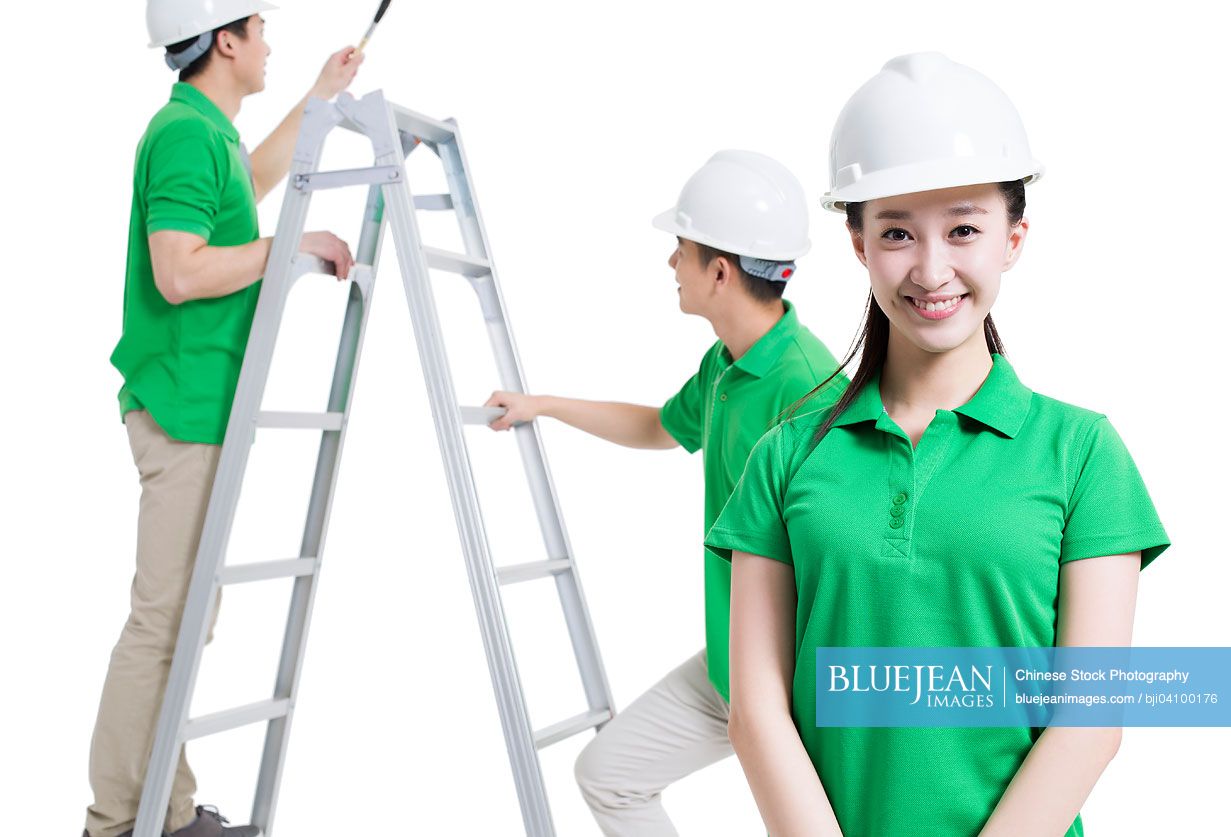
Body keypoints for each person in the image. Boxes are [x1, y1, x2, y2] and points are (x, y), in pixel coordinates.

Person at [707, 52, 1170, 836]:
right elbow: (756, 711)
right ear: (857, 244)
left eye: (962, 229)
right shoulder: (782, 461)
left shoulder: (1083, 453)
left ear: (1012, 238)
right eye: (895, 232)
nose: (930, 269)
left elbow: (1089, 722)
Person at [485, 150, 847, 835]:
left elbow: (839, 550)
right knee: (610, 774)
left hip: (799, 670)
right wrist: (545, 404)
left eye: (679, 249)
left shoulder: (809, 388)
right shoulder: (726, 364)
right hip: (734, 657)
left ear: (719, 270)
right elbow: (660, 425)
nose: (669, 264)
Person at [86, 2, 362, 835]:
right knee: (163, 620)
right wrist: (297, 244)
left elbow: (246, 186)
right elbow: (179, 271)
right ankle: (113, 823)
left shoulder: (208, 134)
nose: (271, 42)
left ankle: (165, 809)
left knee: (182, 617)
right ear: (226, 41)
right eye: (262, 28)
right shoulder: (181, 134)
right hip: (181, 406)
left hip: (202, 405)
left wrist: (318, 95)